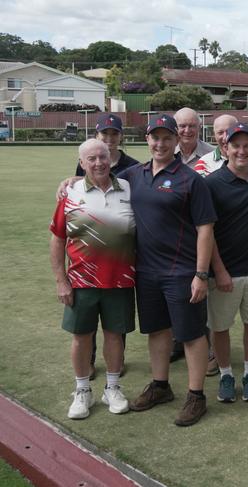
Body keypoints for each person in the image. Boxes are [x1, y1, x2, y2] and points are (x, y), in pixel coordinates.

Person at [121, 114, 216, 426]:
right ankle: (161, 386)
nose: (160, 143)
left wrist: (201, 274)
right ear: (147, 140)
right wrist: (69, 181)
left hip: (182, 272)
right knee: (158, 331)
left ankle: (196, 395)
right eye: (154, 137)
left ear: (177, 141)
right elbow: (96, 177)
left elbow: (205, 230)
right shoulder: (133, 175)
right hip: (146, 272)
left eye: (166, 138)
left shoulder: (192, 180)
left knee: (191, 335)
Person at [50, 139, 135, 419]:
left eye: (102, 156)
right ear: (82, 163)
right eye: (91, 159)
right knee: (81, 338)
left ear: (110, 158)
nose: (98, 162)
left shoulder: (128, 189)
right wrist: (61, 280)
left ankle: (112, 387)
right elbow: (58, 238)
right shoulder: (70, 193)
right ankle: (82, 391)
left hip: (120, 280)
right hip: (81, 282)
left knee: (114, 337)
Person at [204, 123, 248, 402]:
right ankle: (225, 376)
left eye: (247, 145)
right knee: (220, 328)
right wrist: (219, 271)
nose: (241, 151)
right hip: (225, 274)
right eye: (236, 146)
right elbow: (207, 232)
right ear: (224, 148)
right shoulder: (211, 183)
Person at [75, 113, 138, 380]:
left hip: (121, 259)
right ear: (97, 136)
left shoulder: (133, 168)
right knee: (85, 325)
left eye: (114, 134)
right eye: (105, 135)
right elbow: (79, 187)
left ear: (120, 136)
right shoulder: (89, 161)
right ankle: (88, 363)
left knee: (116, 323)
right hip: (87, 262)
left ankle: (116, 363)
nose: (110, 140)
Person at [171, 107, 216, 369]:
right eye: (182, 126)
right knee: (177, 291)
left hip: (205, 233)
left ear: (199, 127)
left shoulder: (211, 154)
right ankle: (178, 341)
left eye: (192, 126)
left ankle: (208, 348)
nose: (186, 131)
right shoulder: (166, 152)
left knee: (203, 294)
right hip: (175, 236)